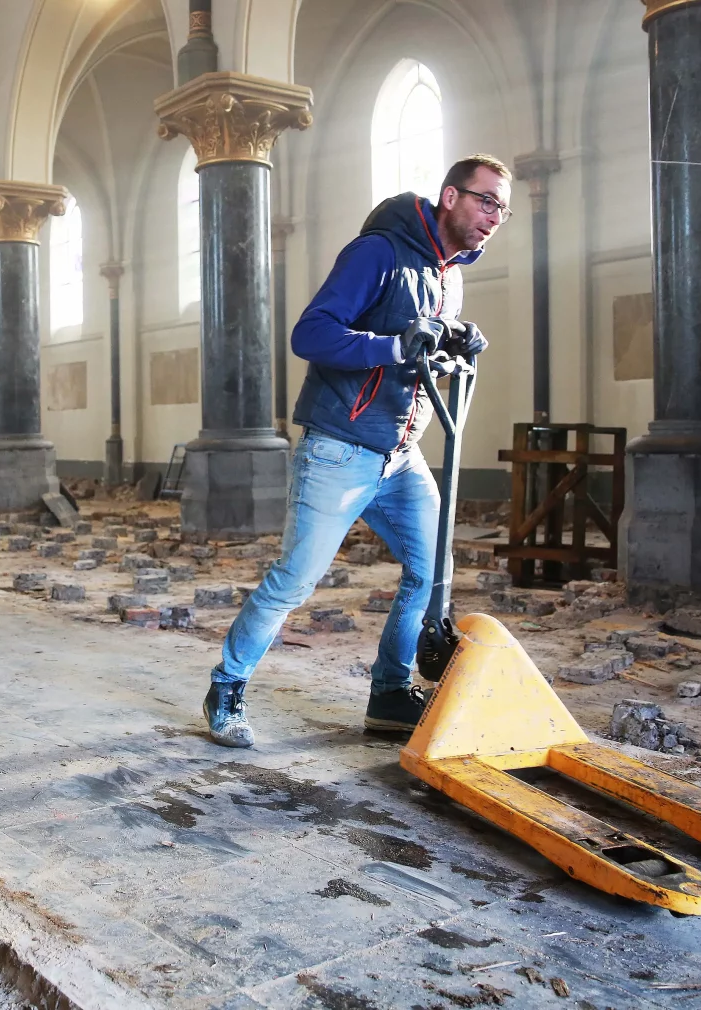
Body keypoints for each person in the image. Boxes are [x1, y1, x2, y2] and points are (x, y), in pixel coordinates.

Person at [202, 154, 514, 748]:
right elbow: (310, 334)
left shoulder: (451, 275)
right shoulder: (378, 253)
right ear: (450, 197)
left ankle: (391, 694)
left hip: (401, 454)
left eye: (503, 208)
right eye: (486, 200)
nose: (494, 216)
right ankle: (228, 684)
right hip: (340, 451)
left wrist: (452, 347)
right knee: (295, 581)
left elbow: (415, 363)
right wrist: (393, 345)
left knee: (430, 572)